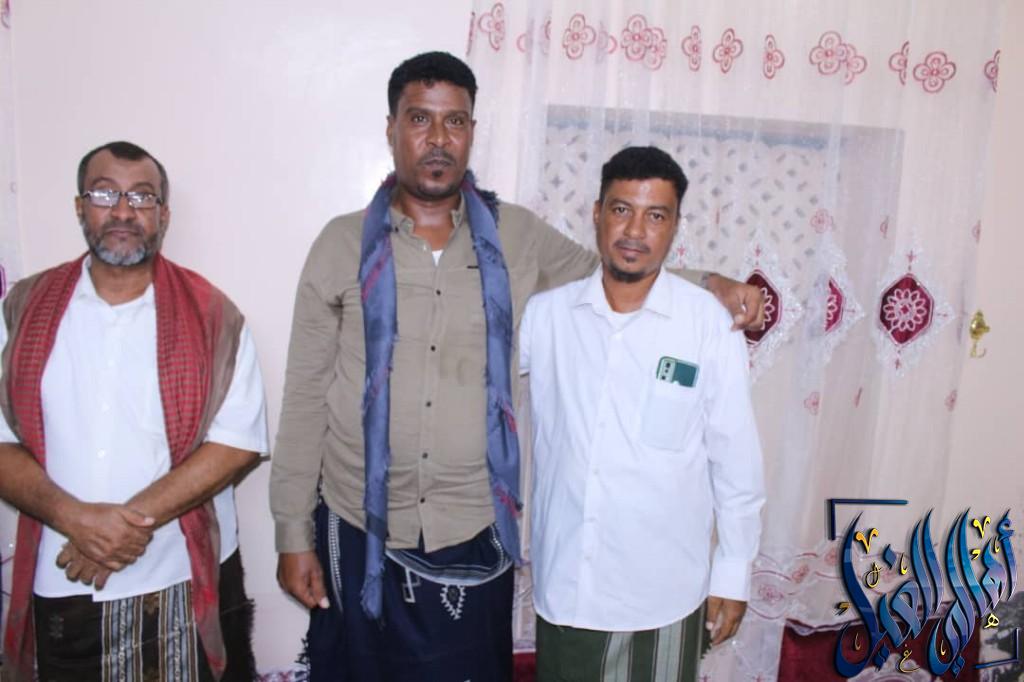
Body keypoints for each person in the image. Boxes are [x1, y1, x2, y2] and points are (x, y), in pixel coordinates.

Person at [270, 52, 764, 681]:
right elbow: (305, 395)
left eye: (455, 121)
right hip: (355, 523)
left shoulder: (517, 237)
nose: (438, 138)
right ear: (391, 128)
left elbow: (610, 272)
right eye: (420, 118)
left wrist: (711, 284)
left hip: (472, 530)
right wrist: (292, 532)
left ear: (472, 132)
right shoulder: (339, 245)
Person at [0, 141, 268, 681]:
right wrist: (75, 519)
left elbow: (236, 443)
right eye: (105, 194)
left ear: (163, 216)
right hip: (66, 577)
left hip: (183, 575)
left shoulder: (213, 315)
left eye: (142, 197)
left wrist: (120, 529)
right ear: (80, 207)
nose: (123, 211)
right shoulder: (22, 310)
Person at [519, 146, 765, 682]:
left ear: (674, 226)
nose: (635, 230)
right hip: (567, 588)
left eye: (655, 215)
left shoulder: (707, 323)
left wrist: (733, 571)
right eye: (621, 209)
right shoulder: (547, 317)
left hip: (664, 596)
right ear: (597, 214)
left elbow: (735, 458)